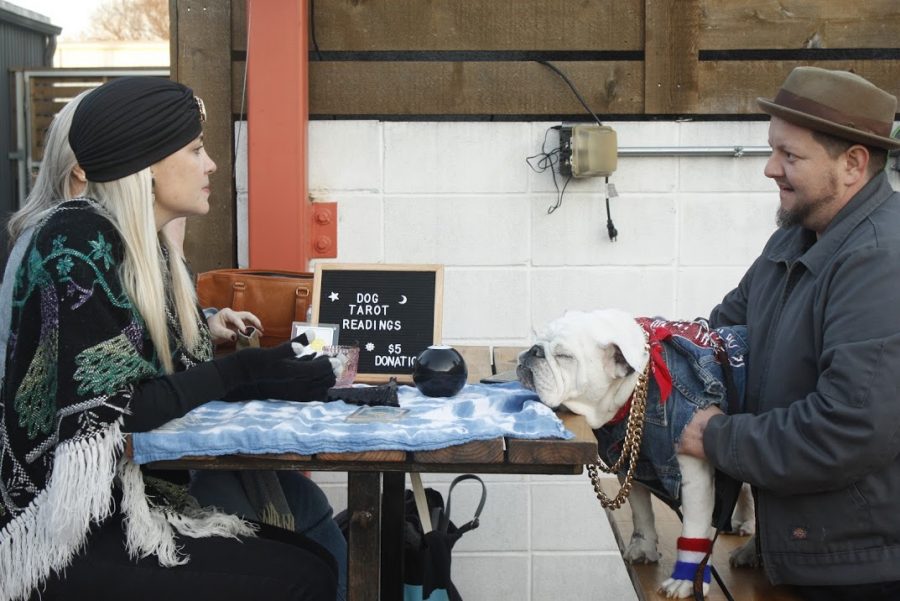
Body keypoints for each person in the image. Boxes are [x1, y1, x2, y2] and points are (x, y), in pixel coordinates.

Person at [0, 76, 341, 601]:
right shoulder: (72, 242)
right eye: (196, 150)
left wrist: (281, 371)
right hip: (57, 532)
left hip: (124, 502)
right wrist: (248, 370)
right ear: (147, 164)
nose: (210, 166)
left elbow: (173, 378)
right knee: (305, 577)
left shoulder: (141, 248)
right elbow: (118, 410)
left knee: (312, 558)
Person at [678, 67, 900, 601]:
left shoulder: (881, 261)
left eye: (790, 156)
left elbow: (847, 430)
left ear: (853, 164)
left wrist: (715, 438)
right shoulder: (792, 241)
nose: (769, 169)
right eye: (772, 150)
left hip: (861, 571)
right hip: (800, 551)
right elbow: (716, 343)